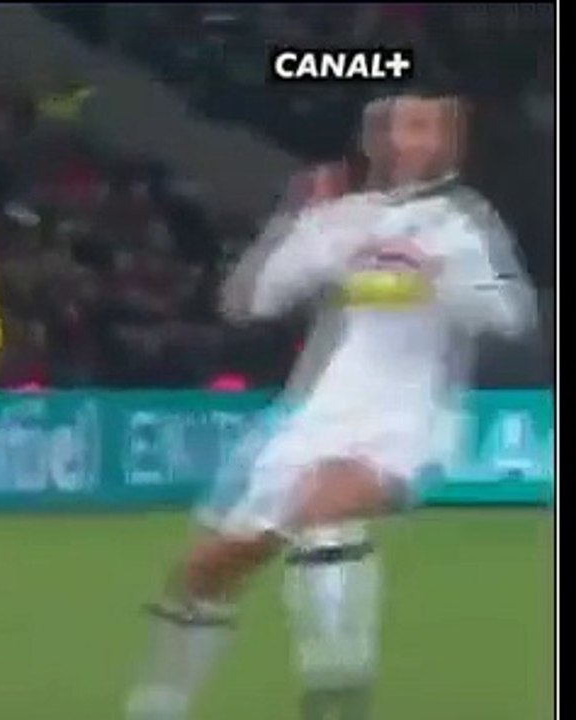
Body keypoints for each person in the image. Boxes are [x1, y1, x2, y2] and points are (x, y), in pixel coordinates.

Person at [124, 88, 537, 720]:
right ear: (381, 139)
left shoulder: (461, 222)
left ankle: (337, 688)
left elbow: (511, 316)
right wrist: (298, 225)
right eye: (405, 127)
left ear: (450, 142)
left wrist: (440, 278)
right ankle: (157, 708)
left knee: (325, 510)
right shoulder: (346, 218)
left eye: (429, 127)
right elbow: (253, 302)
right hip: (320, 414)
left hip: (408, 415)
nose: (415, 140)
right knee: (208, 571)